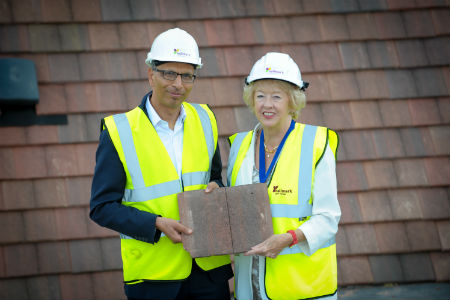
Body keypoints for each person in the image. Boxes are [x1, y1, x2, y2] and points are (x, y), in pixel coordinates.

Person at [89, 28, 233, 300]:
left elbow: (215, 178)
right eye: (169, 73)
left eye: (187, 75)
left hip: (208, 270)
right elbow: (102, 208)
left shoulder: (206, 119)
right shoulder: (118, 131)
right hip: (154, 278)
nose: (178, 84)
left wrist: (216, 187)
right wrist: (155, 224)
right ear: (150, 74)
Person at [227, 52, 341, 299]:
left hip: (301, 288)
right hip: (250, 285)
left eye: (276, 96)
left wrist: (289, 239)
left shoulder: (316, 144)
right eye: (260, 96)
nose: (267, 104)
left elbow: (328, 218)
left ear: (293, 100)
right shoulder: (239, 146)